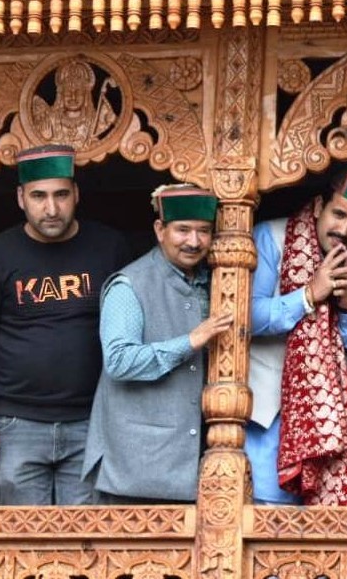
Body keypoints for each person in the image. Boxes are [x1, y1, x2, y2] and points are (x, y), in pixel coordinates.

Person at [0, 144, 132, 505]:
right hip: (16, 424)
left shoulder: (110, 247)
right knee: (20, 545)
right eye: (39, 196)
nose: (51, 208)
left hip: (93, 422)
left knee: (87, 544)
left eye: (61, 195)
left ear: (77, 195)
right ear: (21, 198)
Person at [247, 160, 347, 505]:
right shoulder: (272, 236)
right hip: (269, 416)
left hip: (332, 425)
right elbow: (246, 316)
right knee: (267, 521)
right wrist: (309, 294)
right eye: (339, 214)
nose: (345, 229)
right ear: (321, 205)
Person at [84, 184, 232, 503]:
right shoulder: (130, 284)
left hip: (192, 467)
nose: (194, 242)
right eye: (183, 230)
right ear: (159, 229)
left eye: (204, 231)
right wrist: (190, 341)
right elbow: (119, 361)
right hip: (134, 470)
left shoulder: (214, 282)